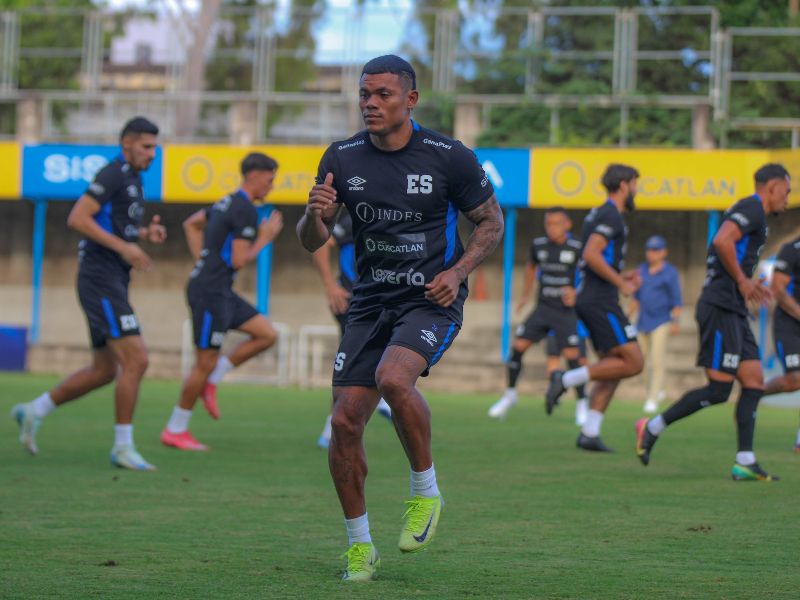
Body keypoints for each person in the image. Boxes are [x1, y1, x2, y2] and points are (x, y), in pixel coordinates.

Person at [296, 54, 503, 582]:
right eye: (365, 93)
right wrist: (313, 215)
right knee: (344, 422)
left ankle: (425, 492)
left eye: (383, 94)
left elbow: (490, 222)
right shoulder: (341, 158)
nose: (370, 103)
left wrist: (457, 273)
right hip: (369, 301)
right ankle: (360, 548)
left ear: (410, 100)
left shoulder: (448, 156)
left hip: (429, 299)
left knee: (393, 378)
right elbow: (312, 240)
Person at [11, 117, 164, 470]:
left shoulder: (134, 180)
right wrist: (125, 250)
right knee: (137, 359)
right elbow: (78, 218)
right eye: (146, 146)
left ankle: (34, 410)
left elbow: (117, 226)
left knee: (104, 369)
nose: (153, 153)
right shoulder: (112, 173)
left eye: (155, 146)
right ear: (127, 144)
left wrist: (141, 235)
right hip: (100, 278)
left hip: (112, 279)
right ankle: (122, 447)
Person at [636, 163, 791, 481]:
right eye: (787, 192)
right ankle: (652, 426)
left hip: (733, 308)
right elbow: (722, 240)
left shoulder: (753, 213)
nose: (788, 199)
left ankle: (744, 461)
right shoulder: (753, 207)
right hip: (720, 306)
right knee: (720, 390)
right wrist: (742, 281)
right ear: (773, 186)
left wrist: (747, 283)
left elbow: (730, 247)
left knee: (754, 382)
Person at [160, 152, 283, 451]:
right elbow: (240, 260)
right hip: (210, 292)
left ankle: (216, 376)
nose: (270, 187)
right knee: (203, 362)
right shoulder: (245, 210)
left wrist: (204, 260)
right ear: (253, 175)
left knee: (266, 334)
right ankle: (175, 429)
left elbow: (191, 224)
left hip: (219, 289)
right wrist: (265, 238)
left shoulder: (225, 202)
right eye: (269, 180)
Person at [545, 164, 644, 452]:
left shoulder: (599, 213)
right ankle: (566, 378)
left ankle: (589, 432)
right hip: (601, 300)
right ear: (624, 185)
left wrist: (620, 277)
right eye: (636, 184)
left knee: (613, 367)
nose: (637, 190)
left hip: (596, 295)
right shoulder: (611, 214)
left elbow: (592, 259)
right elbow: (591, 254)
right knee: (634, 362)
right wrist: (620, 284)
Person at [488, 207, 588, 422]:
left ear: (567, 225)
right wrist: (525, 296)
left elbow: (590, 274)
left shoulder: (577, 247)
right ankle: (510, 395)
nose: (552, 228)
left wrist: (577, 293)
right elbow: (531, 267)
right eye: (549, 224)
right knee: (517, 348)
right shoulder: (539, 245)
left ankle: (582, 403)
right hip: (542, 308)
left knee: (573, 357)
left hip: (565, 311)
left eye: (557, 223)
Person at [311, 211, 391, 450]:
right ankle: (381, 402)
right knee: (351, 364)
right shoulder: (354, 219)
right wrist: (330, 287)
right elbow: (319, 245)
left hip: (379, 302)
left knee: (361, 362)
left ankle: (332, 429)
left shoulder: (392, 219)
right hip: (351, 302)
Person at [627, 235, 682, 414]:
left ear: (663, 252)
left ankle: (652, 398)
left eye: (656, 250)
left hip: (661, 321)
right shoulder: (641, 270)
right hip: (643, 321)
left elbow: (676, 300)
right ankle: (655, 390)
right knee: (639, 362)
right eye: (650, 250)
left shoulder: (670, 273)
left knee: (657, 360)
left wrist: (675, 321)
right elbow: (635, 299)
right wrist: (626, 317)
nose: (652, 254)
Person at [759, 235, 800, 451]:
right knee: (795, 380)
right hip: (789, 325)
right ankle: (755, 392)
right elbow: (778, 289)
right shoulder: (792, 249)